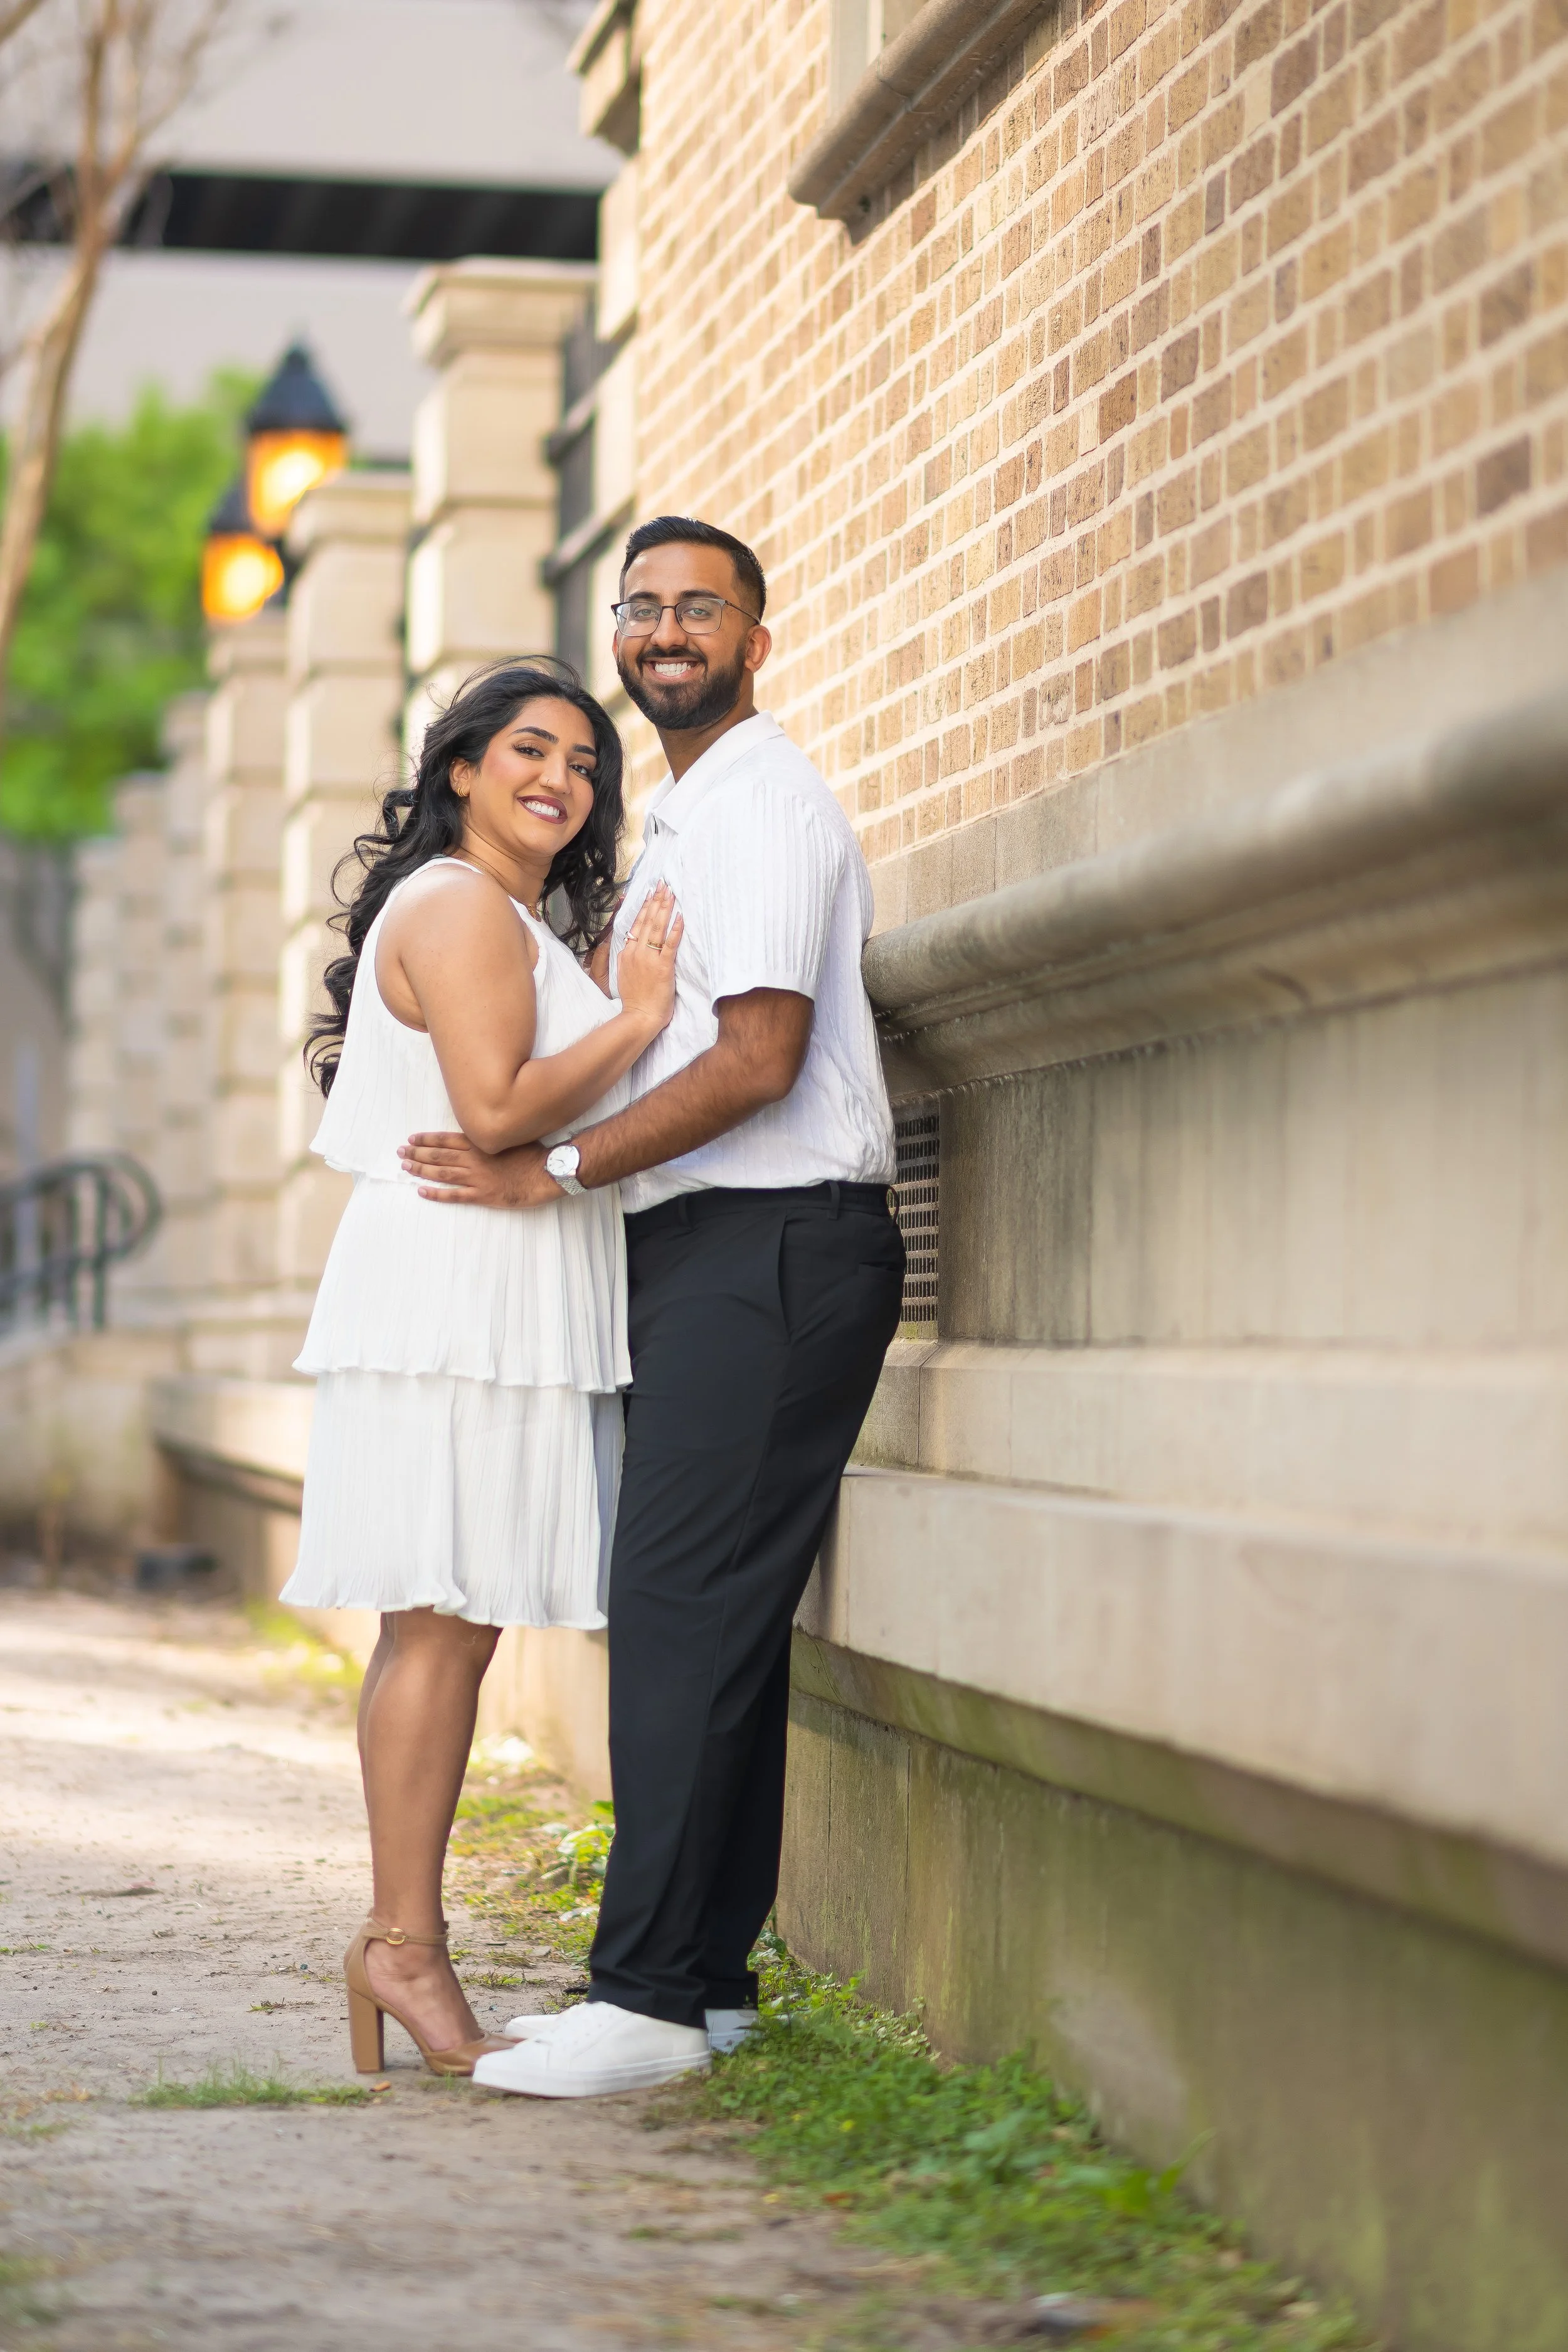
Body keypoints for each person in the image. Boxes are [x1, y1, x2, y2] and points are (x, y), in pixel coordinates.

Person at [399, 520, 904, 2099]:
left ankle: (644, 2004)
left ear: (755, 639)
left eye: (701, 608)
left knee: (678, 1615)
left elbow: (758, 1059)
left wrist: (553, 1170)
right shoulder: (687, 814)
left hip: (771, 1246)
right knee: (717, 1624)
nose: (666, 630)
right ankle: (704, 1984)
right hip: (713, 1253)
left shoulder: (761, 805)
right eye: (642, 607)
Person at [281, 660, 682, 2078]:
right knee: (442, 1626)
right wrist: (636, 1018)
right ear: (460, 768)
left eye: (584, 762)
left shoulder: (502, 916)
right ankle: (402, 1946)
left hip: (483, 1284)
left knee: (447, 1627)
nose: (561, 778)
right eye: (529, 749)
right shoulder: (457, 904)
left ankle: (400, 1943)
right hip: (455, 1291)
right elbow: (496, 1107)